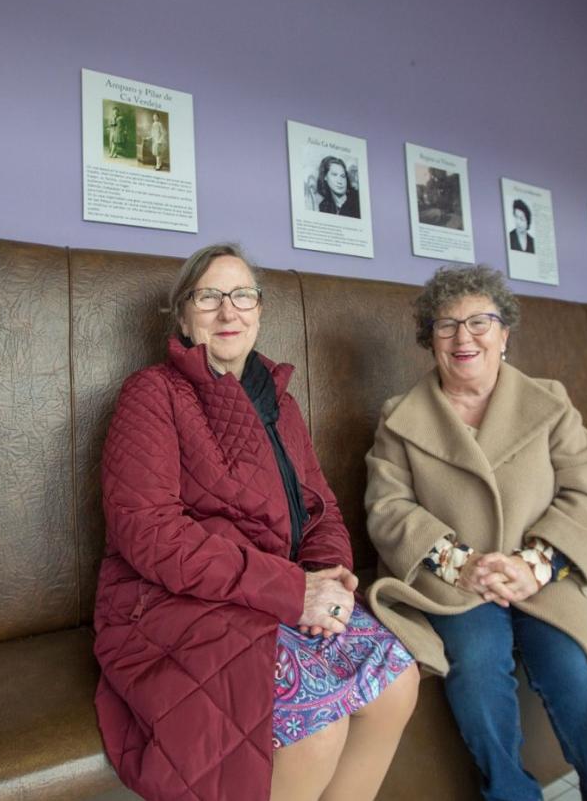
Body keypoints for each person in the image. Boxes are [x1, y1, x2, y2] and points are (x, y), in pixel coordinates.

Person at [94, 243, 419, 801]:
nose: (229, 311)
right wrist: (294, 590)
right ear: (183, 317)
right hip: (170, 602)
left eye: (243, 295)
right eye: (209, 297)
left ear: (260, 310)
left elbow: (320, 508)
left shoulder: (281, 404)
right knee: (315, 727)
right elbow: (150, 534)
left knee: (398, 682)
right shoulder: (152, 393)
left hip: (276, 591)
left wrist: (329, 577)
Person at [363, 264, 587, 801]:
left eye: (479, 322)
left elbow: (586, 494)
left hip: (542, 574)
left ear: (504, 334)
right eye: (446, 325)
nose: (463, 337)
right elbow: (388, 507)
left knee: (573, 670)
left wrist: (533, 565)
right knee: (478, 667)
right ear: (430, 340)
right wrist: (459, 562)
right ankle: (512, 793)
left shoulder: (550, 403)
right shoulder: (399, 418)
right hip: (454, 582)